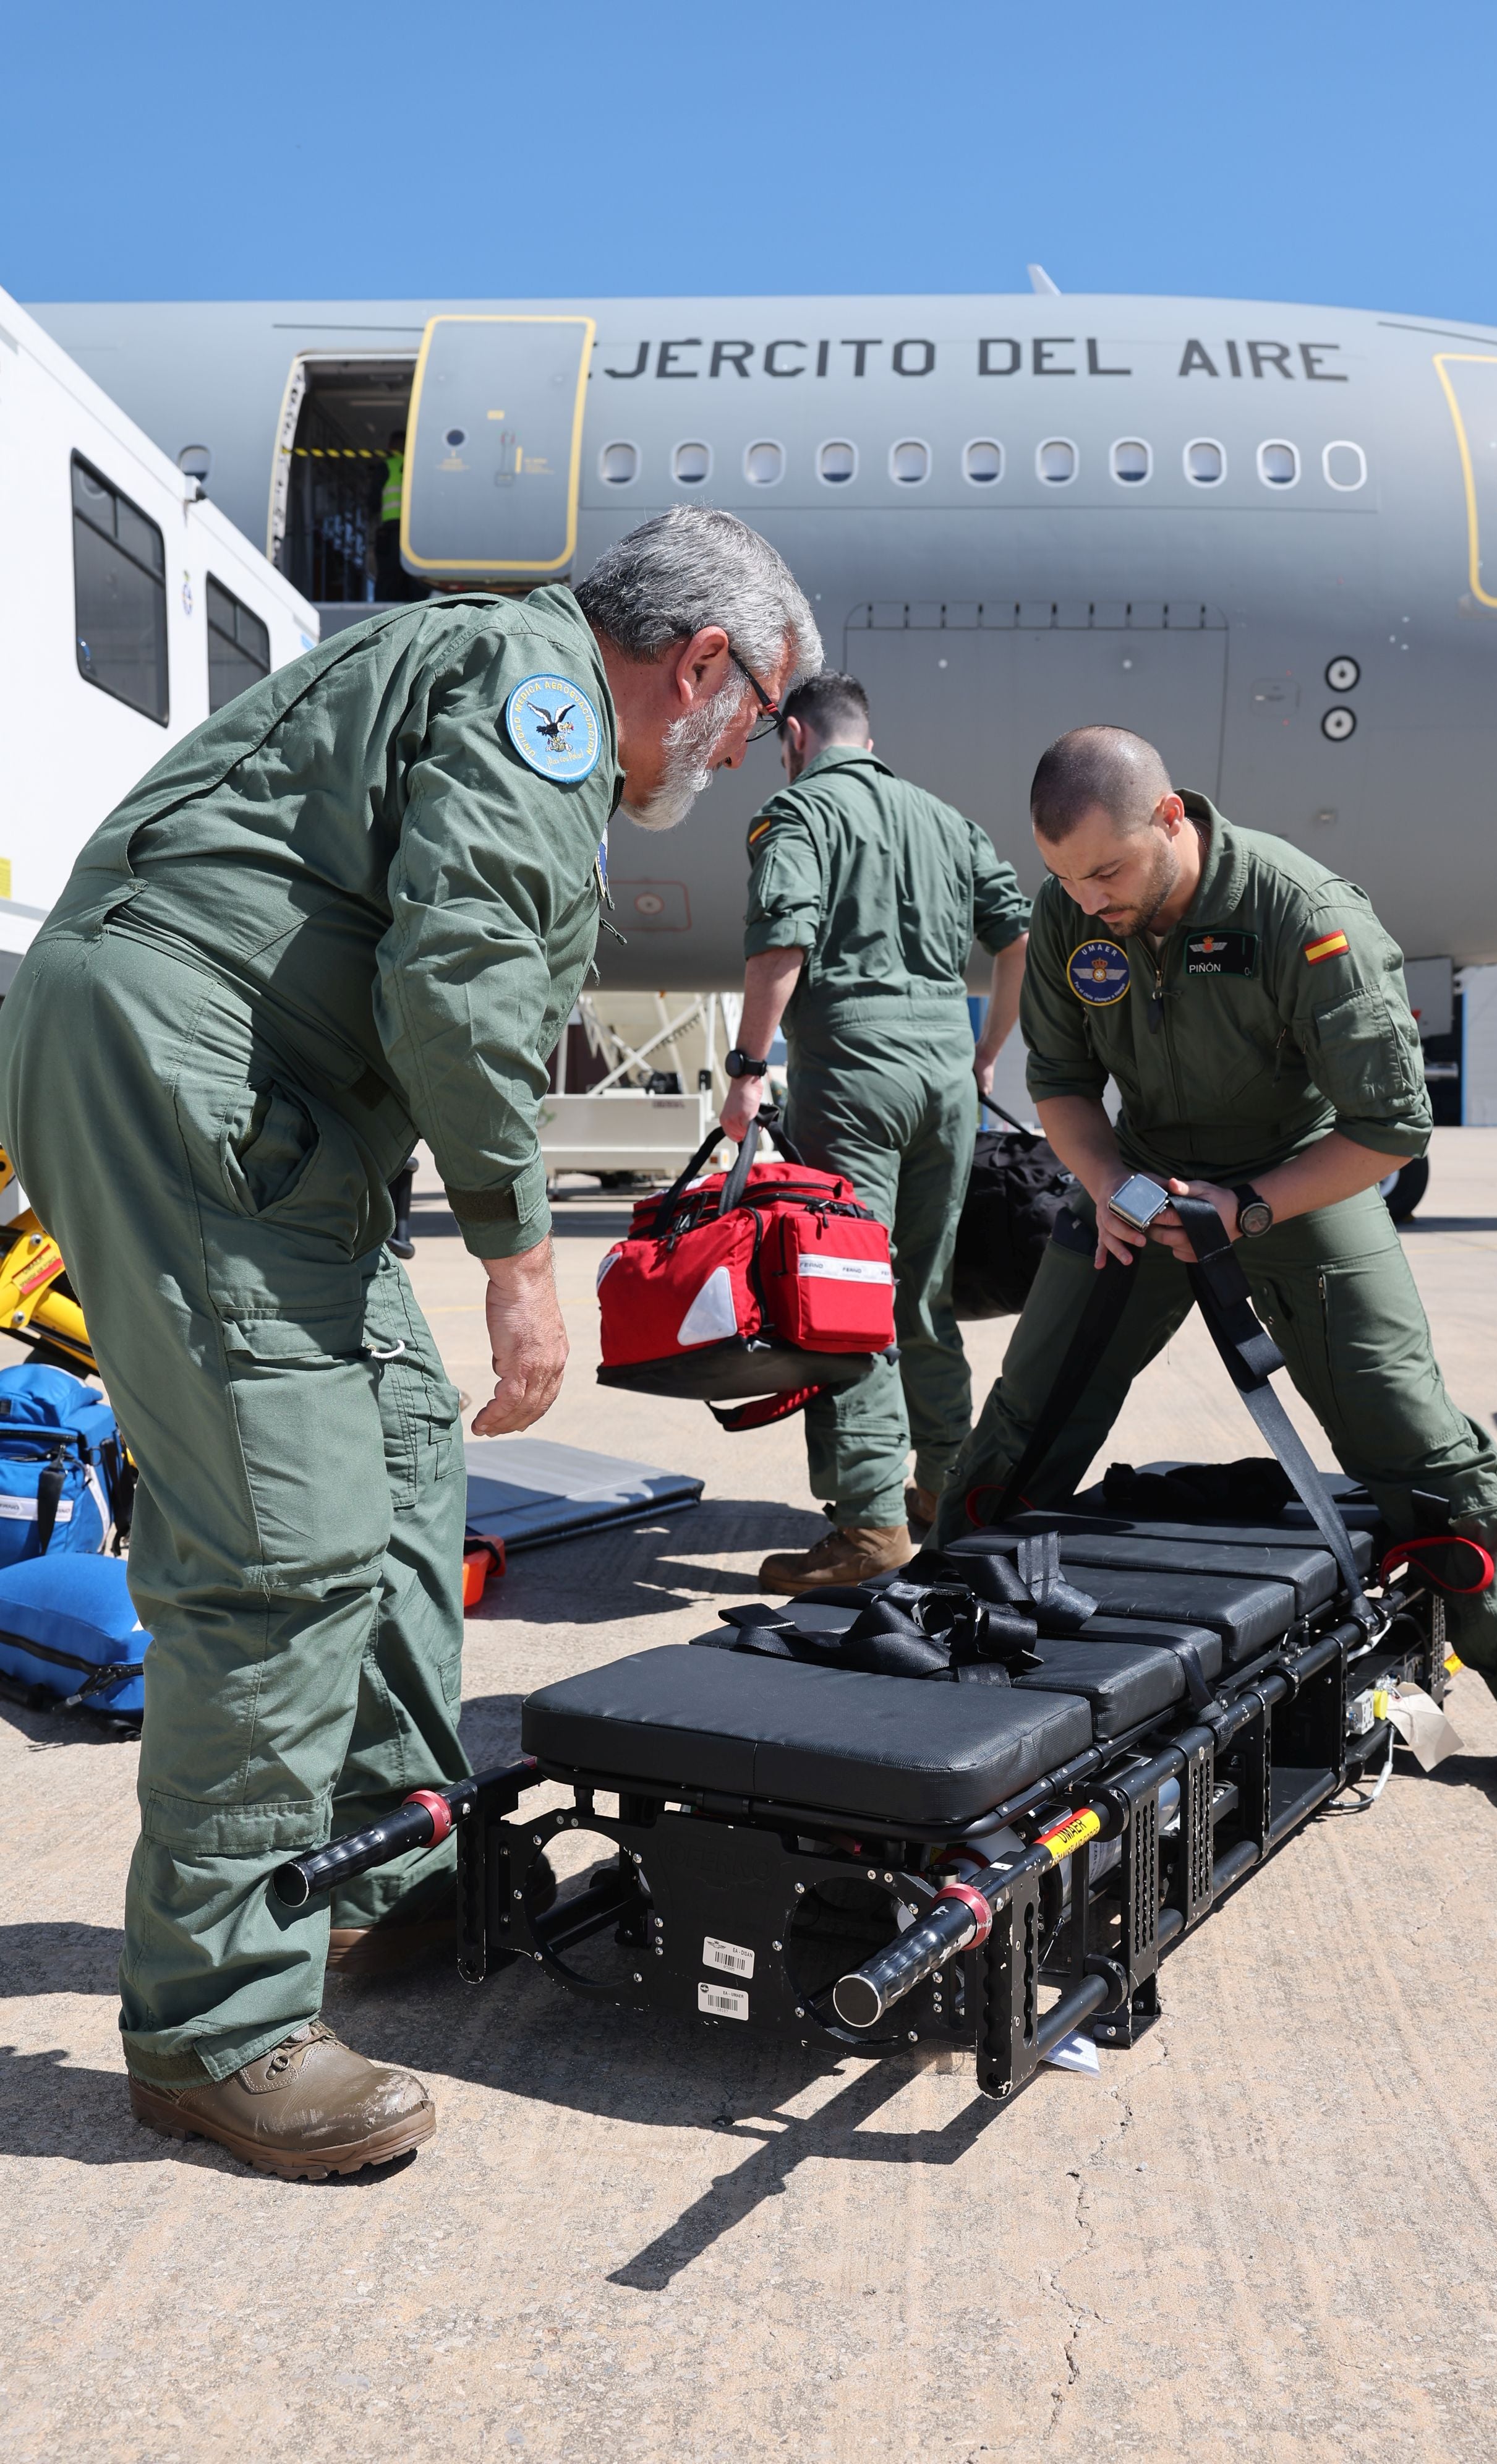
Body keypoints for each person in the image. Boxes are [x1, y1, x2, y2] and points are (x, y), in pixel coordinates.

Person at [0, 507, 821, 2179]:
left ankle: (385, 1871)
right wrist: (520, 1253)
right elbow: (459, 975)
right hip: (199, 1086)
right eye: (745, 726)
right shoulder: (548, 699)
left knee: (396, 1466)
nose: (732, 762)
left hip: (268, 1112)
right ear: (702, 664)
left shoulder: (465, 659)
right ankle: (218, 2027)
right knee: (284, 1545)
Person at [931, 725, 1497, 1810]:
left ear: (1171, 819)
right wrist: (1104, 1182)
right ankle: (935, 1614)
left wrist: (1248, 1206)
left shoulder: (1301, 913)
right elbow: (1057, 1079)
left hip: (1298, 1182)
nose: (1086, 898)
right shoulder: (1069, 911)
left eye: (1106, 870)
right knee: (1028, 1411)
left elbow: (1390, 1128)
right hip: (1143, 1186)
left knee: (1407, 1430)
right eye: (1063, 875)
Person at [719, 672, 1031, 1594]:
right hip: (946, 1082)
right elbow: (1016, 938)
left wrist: (746, 1070)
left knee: (843, 1299)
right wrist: (987, 1050)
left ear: (798, 739)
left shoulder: (799, 815)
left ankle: (867, 1530)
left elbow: (783, 941)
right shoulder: (944, 818)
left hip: (852, 1077)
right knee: (925, 1294)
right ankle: (945, 1488)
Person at [373, 428, 427, 602]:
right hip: (416, 530)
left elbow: (373, 501)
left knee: (389, 576)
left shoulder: (387, 466)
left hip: (393, 529)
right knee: (416, 575)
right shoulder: (420, 466)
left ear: (391, 445)